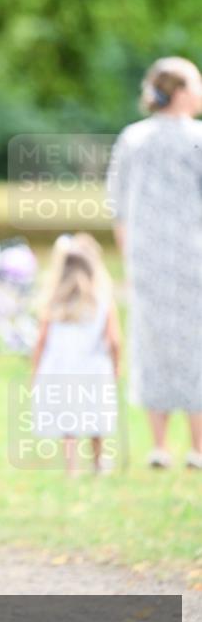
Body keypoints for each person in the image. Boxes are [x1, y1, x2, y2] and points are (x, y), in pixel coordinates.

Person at [106, 57, 202, 470]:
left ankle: (159, 445)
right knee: (195, 347)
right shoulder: (197, 137)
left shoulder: (133, 138)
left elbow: (118, 203)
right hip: (194, 256)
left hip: (146, 258)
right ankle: (197, 448)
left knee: (152, 344)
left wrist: (129, 256)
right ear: (179, 92)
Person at [30, 233, 121, 477]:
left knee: (67, 416)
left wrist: (36, 369)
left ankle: (72, 466)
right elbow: (114, 339)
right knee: (94, 415)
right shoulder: (102, 300)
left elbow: (41, 340)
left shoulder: (53, 301)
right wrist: (116, 365)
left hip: (60, 367)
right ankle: (99, 461)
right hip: (93, 367)